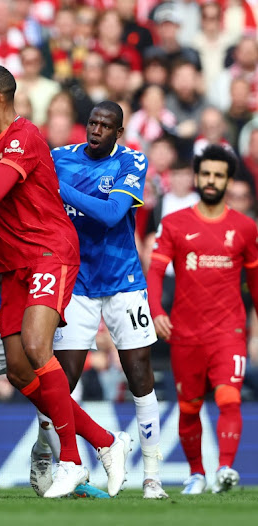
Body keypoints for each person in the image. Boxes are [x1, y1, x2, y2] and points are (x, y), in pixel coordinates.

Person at [0, 64, 129, 498]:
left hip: (48, 253)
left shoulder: (23, 137)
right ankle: (105, 439)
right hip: (13, 266)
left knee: (38, 350)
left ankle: (71, 460)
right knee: (19, 371)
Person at [40, 101, 167, 499]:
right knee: (62, 379)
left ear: (118, 131)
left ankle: (152, 477)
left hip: (123, 280)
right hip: (74, 280)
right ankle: (57, 462)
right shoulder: (60, 156)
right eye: (92, 122)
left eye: (105, 125)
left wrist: (60, 189)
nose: (96, 130)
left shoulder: (132, 161)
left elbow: (113, 214)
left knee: (139, 373)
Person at [149, 145, 258, 495]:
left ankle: (224, 468)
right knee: (189, 407)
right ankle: (197, 473)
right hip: (186, 332)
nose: (211, 180)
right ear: (197, 177)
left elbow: (255, 284)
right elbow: (154, 272)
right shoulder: (174, 224)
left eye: (218, 175)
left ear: (228, 180)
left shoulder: (245, 228)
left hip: (229, 331)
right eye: (206, 174)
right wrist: (157, 311)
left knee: (229, 398)